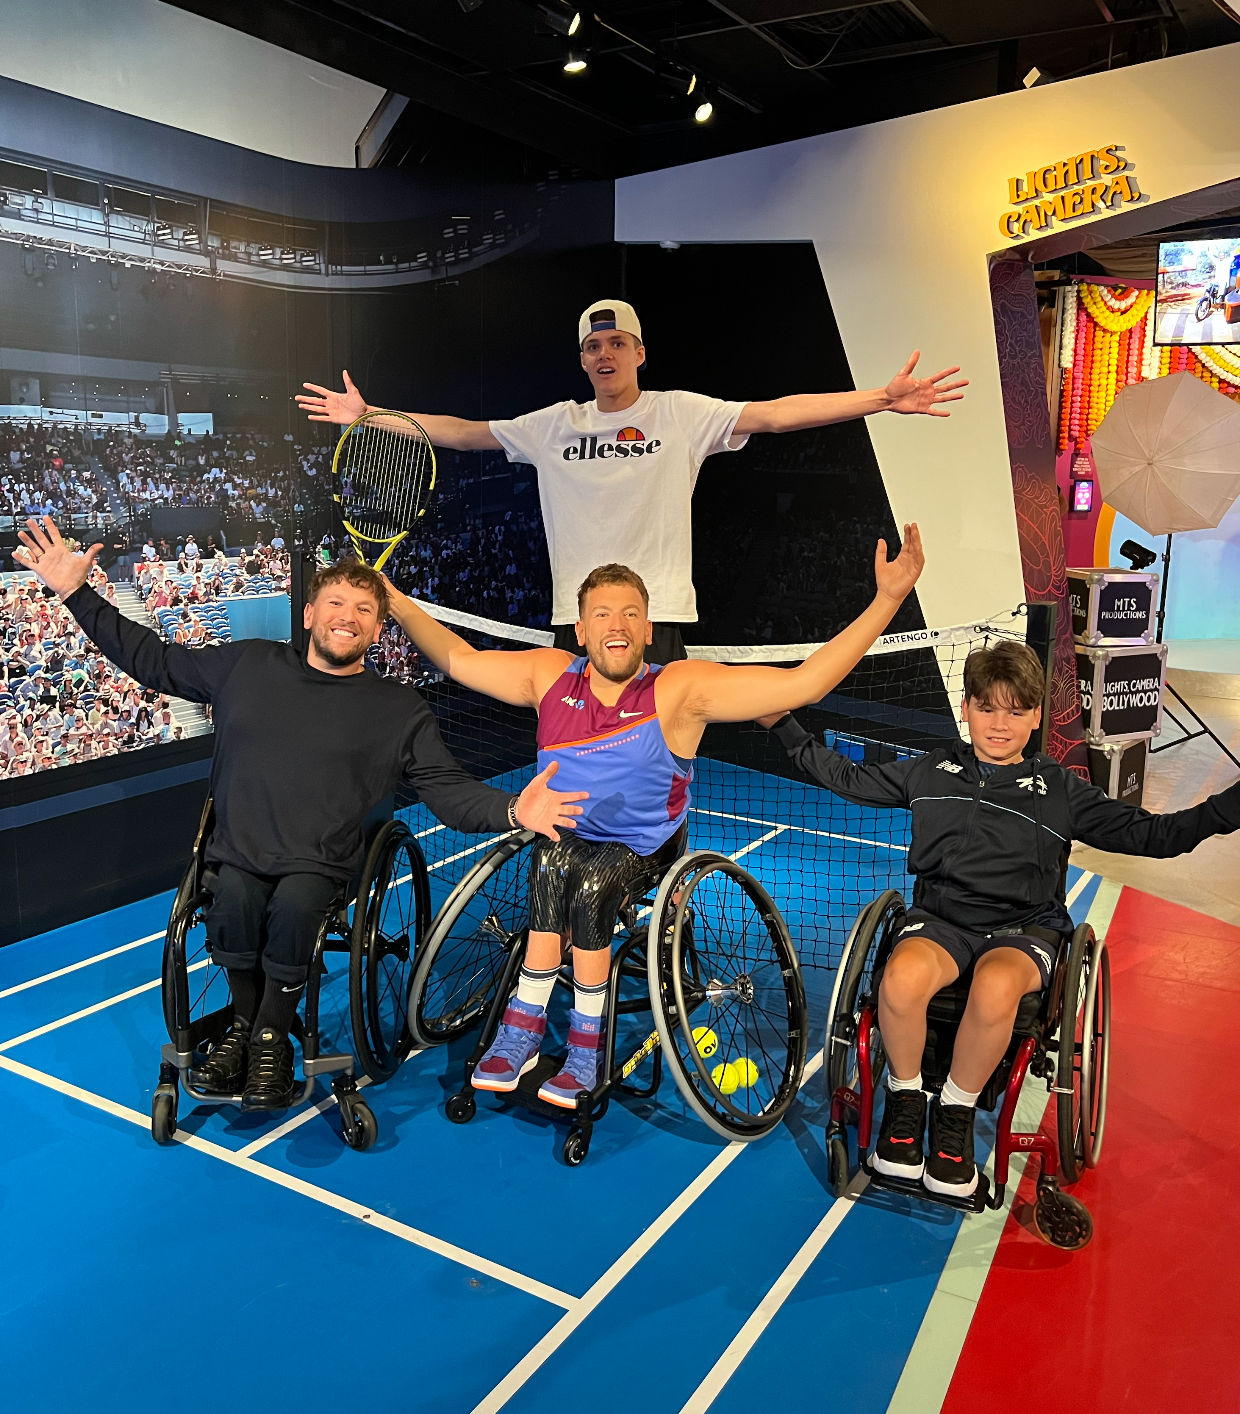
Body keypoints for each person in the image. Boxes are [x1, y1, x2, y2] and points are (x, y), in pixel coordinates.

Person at [15, 515, 587, 1113]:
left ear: (378, 628)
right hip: (238, 852)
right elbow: (153, 660)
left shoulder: (398, 707)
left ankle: (264, 1039)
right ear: (310, 614)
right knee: (231, 906)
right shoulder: (248, 665)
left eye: (364, 610)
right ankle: (249, 1027)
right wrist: (76, 594)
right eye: (335, 602)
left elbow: (446, 789)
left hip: (323, 864)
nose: (348, 616)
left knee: (293, 909)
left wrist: (512, 808)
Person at [382, 526, 923, 1108]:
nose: (616, 624)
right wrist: (396, 604)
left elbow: (804, 683)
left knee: (586, 880)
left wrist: (888, 600)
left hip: (646, 851)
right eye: (602, 614)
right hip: (565, 843)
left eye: (630, 613)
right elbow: (458, 657)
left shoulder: (680, 689)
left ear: (647, 629)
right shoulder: (547, 676)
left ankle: (585, 1048)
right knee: (552, 859)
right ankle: (524, 1032)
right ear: (581, 629)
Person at [757, 638, 1240, 1198]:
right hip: (940, 921)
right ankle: (908, 1107)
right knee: (901, 978)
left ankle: (955, 1120)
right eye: (987, 707)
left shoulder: (1061, 791)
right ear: (966, 708)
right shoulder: (931, 771)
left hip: (1023, 930)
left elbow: (1157, 836)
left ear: (1036, 717)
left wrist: (1229, 807)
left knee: (994, 989)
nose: (999, 723)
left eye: (1016, 710)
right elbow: (845, 778)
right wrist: (782, 725)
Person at [297, 300, 965, 663]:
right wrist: (373, 417)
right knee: (574, 765)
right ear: (583, 360)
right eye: (592, 346)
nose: (604, 353)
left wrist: (880, 397)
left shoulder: (680, 413)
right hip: (575, 620)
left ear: (639, 352)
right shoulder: (552, 424)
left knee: (659, 759)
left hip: (660, 614)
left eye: (617, 342)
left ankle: (660, 893)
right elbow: (467, 431)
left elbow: (777, 414)